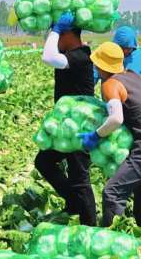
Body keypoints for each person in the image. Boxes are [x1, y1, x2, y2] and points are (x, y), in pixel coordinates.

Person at [79, 42, 141, 228]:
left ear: (101, 65)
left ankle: (114, 241)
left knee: (112, 192)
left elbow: (116, 119)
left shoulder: (110, 84)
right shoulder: (133, 75)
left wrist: (95, 136)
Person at [36, 12, 97, 226]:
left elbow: (47, 57)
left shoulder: (80, 56)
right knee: (44, 161)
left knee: (80, 179)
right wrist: (56, 31)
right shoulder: (72, 55)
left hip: (80, 127)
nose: (54, 40)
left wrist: (56, 30)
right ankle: (73, 202)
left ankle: (90, 227)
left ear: (68, 34)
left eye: (60, 35)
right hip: (66, 127)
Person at [94, 26, 141, 93]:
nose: (124, 51)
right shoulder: (106, 55)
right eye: (121, 48)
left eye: (128, 48)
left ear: (133, 45)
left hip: (135, 101)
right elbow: (93, 78)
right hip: (111, 100)